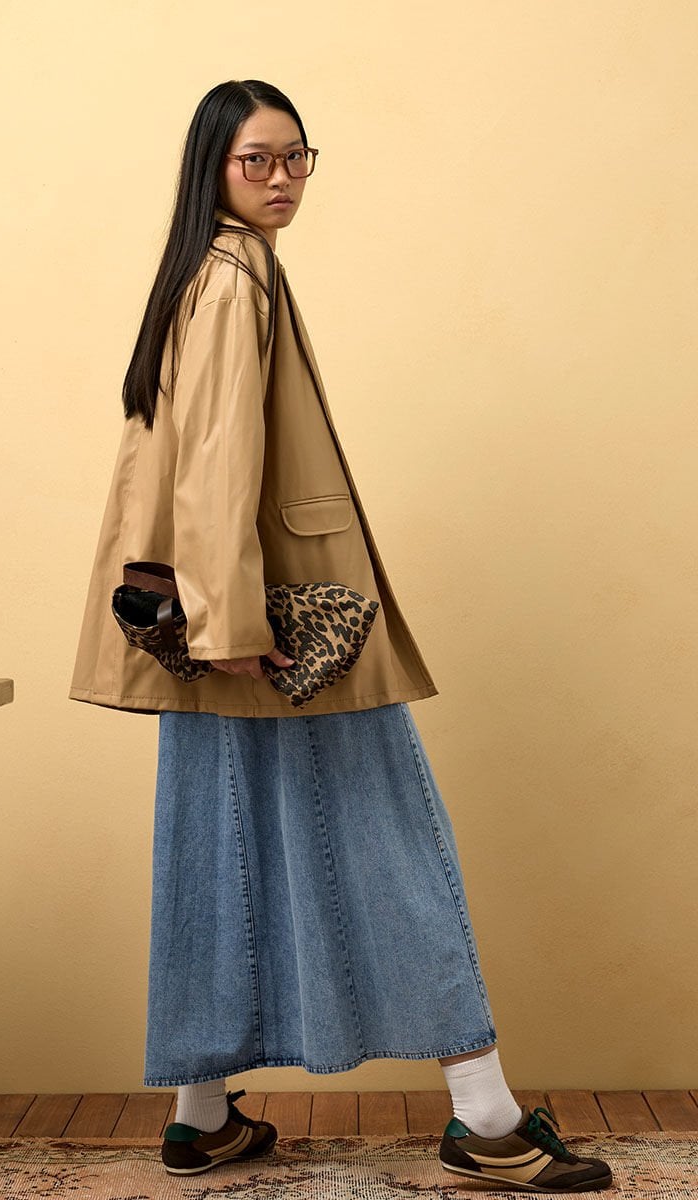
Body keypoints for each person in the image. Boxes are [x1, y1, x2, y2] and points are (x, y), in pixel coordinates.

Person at [69, 79, 612, 1192]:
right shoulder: (232, 279)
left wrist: (210, 617)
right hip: (276, 622)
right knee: (388, 830)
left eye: (295, 158)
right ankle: (485, 1117)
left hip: (217, 618)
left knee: (212, 844)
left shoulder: (207, 269)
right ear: (213, 170)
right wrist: (230, 621)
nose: (280, 180)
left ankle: (200, 1117)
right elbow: (215, 460)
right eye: (255, 161)